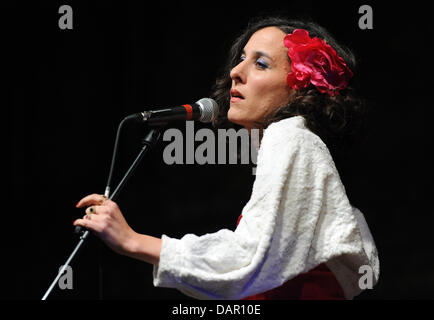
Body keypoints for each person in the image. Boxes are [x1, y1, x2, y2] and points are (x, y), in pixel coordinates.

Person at [74, 16, 380, 300]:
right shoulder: (302, 148)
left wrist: (133, 241)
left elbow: (246, 258)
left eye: (261, 64)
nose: (236, 71)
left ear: (300, 88)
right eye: (242, 58)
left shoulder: (290, 136)